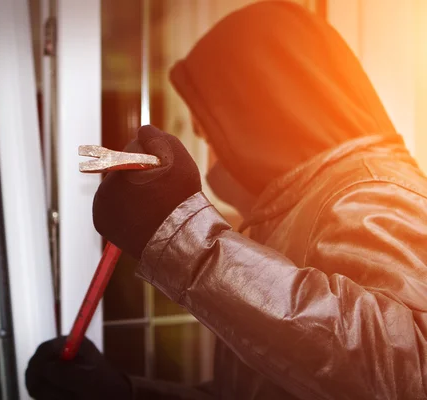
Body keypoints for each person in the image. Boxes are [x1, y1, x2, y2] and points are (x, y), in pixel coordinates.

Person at [25, 2, 427, 399]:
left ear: (263, 109)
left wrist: (187, 238)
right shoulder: (286, 209)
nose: (212, 153)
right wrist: (125, 394)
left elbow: (406, 378)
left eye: (212, 131)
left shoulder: (371, 191)